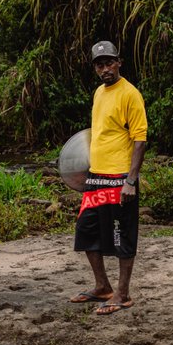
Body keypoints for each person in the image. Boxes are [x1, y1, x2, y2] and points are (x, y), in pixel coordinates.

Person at [69, 40, 147, 315]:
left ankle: (123, 295)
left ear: (119, 62)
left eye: (109, 62)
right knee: (86, 231)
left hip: (119, 178)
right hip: (96, 177)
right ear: (95, 68)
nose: (105, 68)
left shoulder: (130, 94)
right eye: (100, 64)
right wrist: (82, 175)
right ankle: (102, 286)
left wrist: (130, 181)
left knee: (121, 235)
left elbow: (139, 139)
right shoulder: (98, 93)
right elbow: (97, 135)